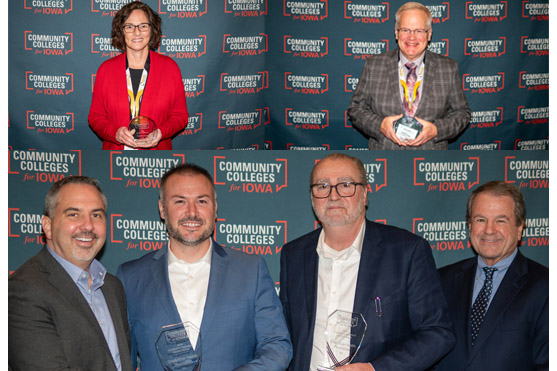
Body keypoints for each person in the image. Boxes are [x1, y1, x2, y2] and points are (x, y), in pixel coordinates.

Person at [280, 153, 455, 370]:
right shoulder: (293, 255)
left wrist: (375, 369)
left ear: (364, 194)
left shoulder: (407, 252)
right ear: (312, 196)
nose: (333, 196)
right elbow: (285, 336)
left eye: (345, 185)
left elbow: (438, 333)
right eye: (322, 186)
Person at [116, 163, 292, 370]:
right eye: (180, 201)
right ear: (162, 209)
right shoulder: (130, 277)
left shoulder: (250, 270)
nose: (192, 212)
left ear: (215, 208)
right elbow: (120, 358)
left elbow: (277, 346)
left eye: (202, 201)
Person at [8, 176, 132, 371]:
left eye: (97, 215)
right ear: (47, 226)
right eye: (74, 214)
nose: (88, 226)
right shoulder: (21, 291)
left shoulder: (112, 287)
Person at [435, 181, 548, 370]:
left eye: (500, 220)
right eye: (480, 219)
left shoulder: (545, 287)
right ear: (469, 225)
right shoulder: (442, 280)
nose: (489, 230)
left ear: (520, 227)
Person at [347, 2, 470, 149]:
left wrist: (436, 130)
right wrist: (380, 126)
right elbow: (355, 109)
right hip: (386, 156)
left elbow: (462, 113)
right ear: (396, 32)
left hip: (430, 159)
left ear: (429, 34)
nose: (412, 37)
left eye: (419, 30)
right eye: (405, 30)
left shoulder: (448, 67)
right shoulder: (373, 65)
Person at [89, 1, 188, 150]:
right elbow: (95, 117)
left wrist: (161, 132)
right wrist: (115, 133)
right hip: (114, 157)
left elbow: (180, 116)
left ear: (152, 30)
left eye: (143, 26)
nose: (137, 32)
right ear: (121, 31)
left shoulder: (170, 68)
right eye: (129, 27)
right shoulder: (106, 69)